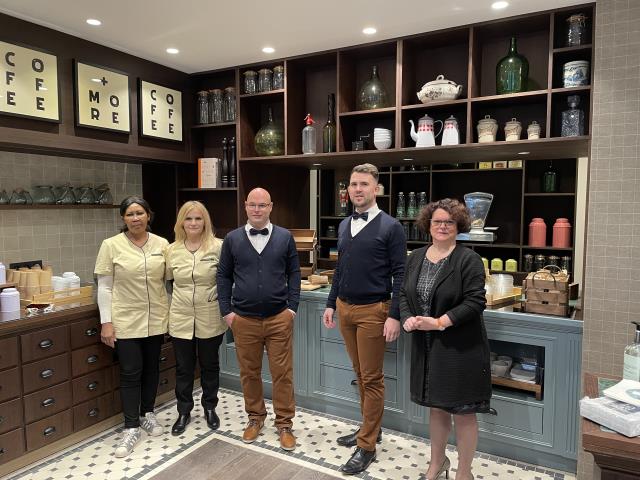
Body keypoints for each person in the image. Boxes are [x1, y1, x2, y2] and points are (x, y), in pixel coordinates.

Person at [322, 163, 406, 476]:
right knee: (360, 374)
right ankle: (370, 429)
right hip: (345, 308)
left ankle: (367, 445)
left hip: (374, 311)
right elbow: (340, 268)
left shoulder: (390, 227)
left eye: (364, 184)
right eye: (353, 184)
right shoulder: (345, 226)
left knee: (371, 378)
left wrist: (394, 315)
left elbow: (400, 273)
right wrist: (331, 303)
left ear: (376, 189)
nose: (357, 189)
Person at [400, 198, 491, 480]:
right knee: (437, 409)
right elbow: (404, 293)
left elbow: (476, 302)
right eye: (437, 221)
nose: (442, 226)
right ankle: (437, 464)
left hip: (461, 348)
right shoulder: (414, 257)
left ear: (458, 227)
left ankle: (465, 472)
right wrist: (407, 319)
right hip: (427, 348)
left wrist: (439, 322)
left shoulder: (469, 259)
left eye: (449, 222)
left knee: (463, 412)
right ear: (428, 224)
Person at [217, 187, 301, 451]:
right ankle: (255, 418)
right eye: (252, 205)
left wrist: (292, 309)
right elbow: (223, 276)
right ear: (245, 206)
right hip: (243, 319)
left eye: (262, 205)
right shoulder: (232, 239)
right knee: (249, 373)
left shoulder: (285, 237)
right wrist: (227, 311)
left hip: (279, 317)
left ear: (271, 207)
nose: (257, 209)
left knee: (282, 374)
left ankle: (284, 424)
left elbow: (294, 273)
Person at [95, 196, 169, 458]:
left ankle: (147, 413)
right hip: (125, 320)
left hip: (156, 318)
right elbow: (104, 287)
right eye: (130, 214)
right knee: (130, 372)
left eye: (140, 213)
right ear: (123, 218)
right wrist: (106, 323)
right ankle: (131, 426)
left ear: (149, 215)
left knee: (152, 369)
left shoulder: (162, 244)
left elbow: (170, 280)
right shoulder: (111, 245)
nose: (135, 218)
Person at [164, 201, 227, 436]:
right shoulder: (171, 250)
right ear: (181, 222)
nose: (193, 223)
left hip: (210, 314)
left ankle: (210, 407)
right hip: (180, 316)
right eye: (188, 219)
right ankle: (183, 411)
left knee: (210, 364)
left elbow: (228, 278)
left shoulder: (219, 247)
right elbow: (168, 284)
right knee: (183, 367)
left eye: (198, 219)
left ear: (205, 221)